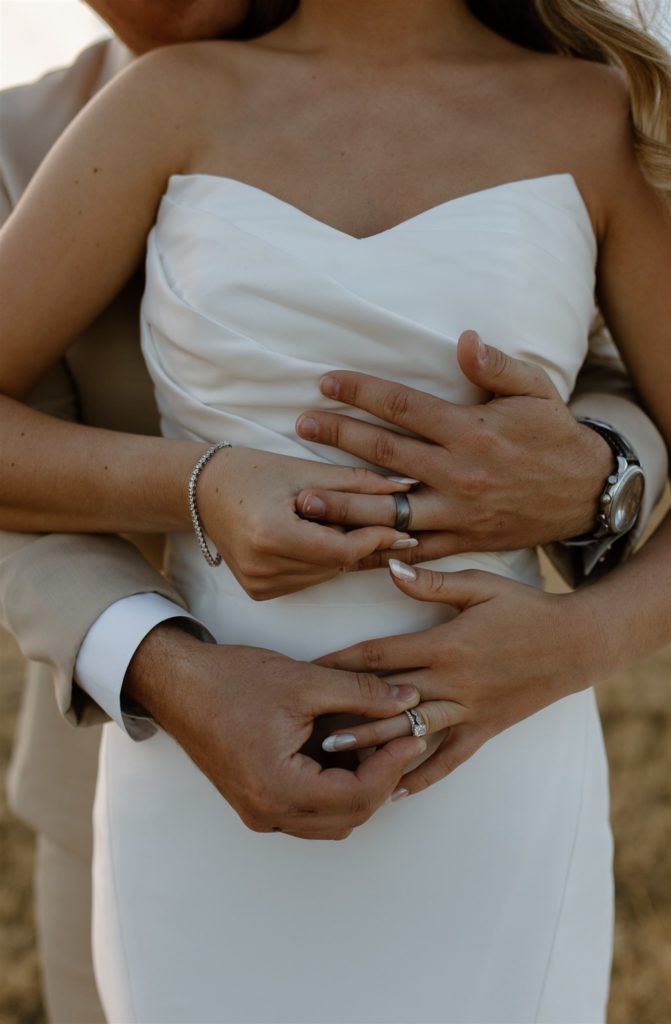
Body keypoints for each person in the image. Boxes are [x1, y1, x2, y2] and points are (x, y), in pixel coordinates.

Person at [0, 1, 669, 1021]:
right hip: (194, 762)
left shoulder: (590, 112)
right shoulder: (163, 103)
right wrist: (203, 484)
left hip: (492, 774)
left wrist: (578, 638)